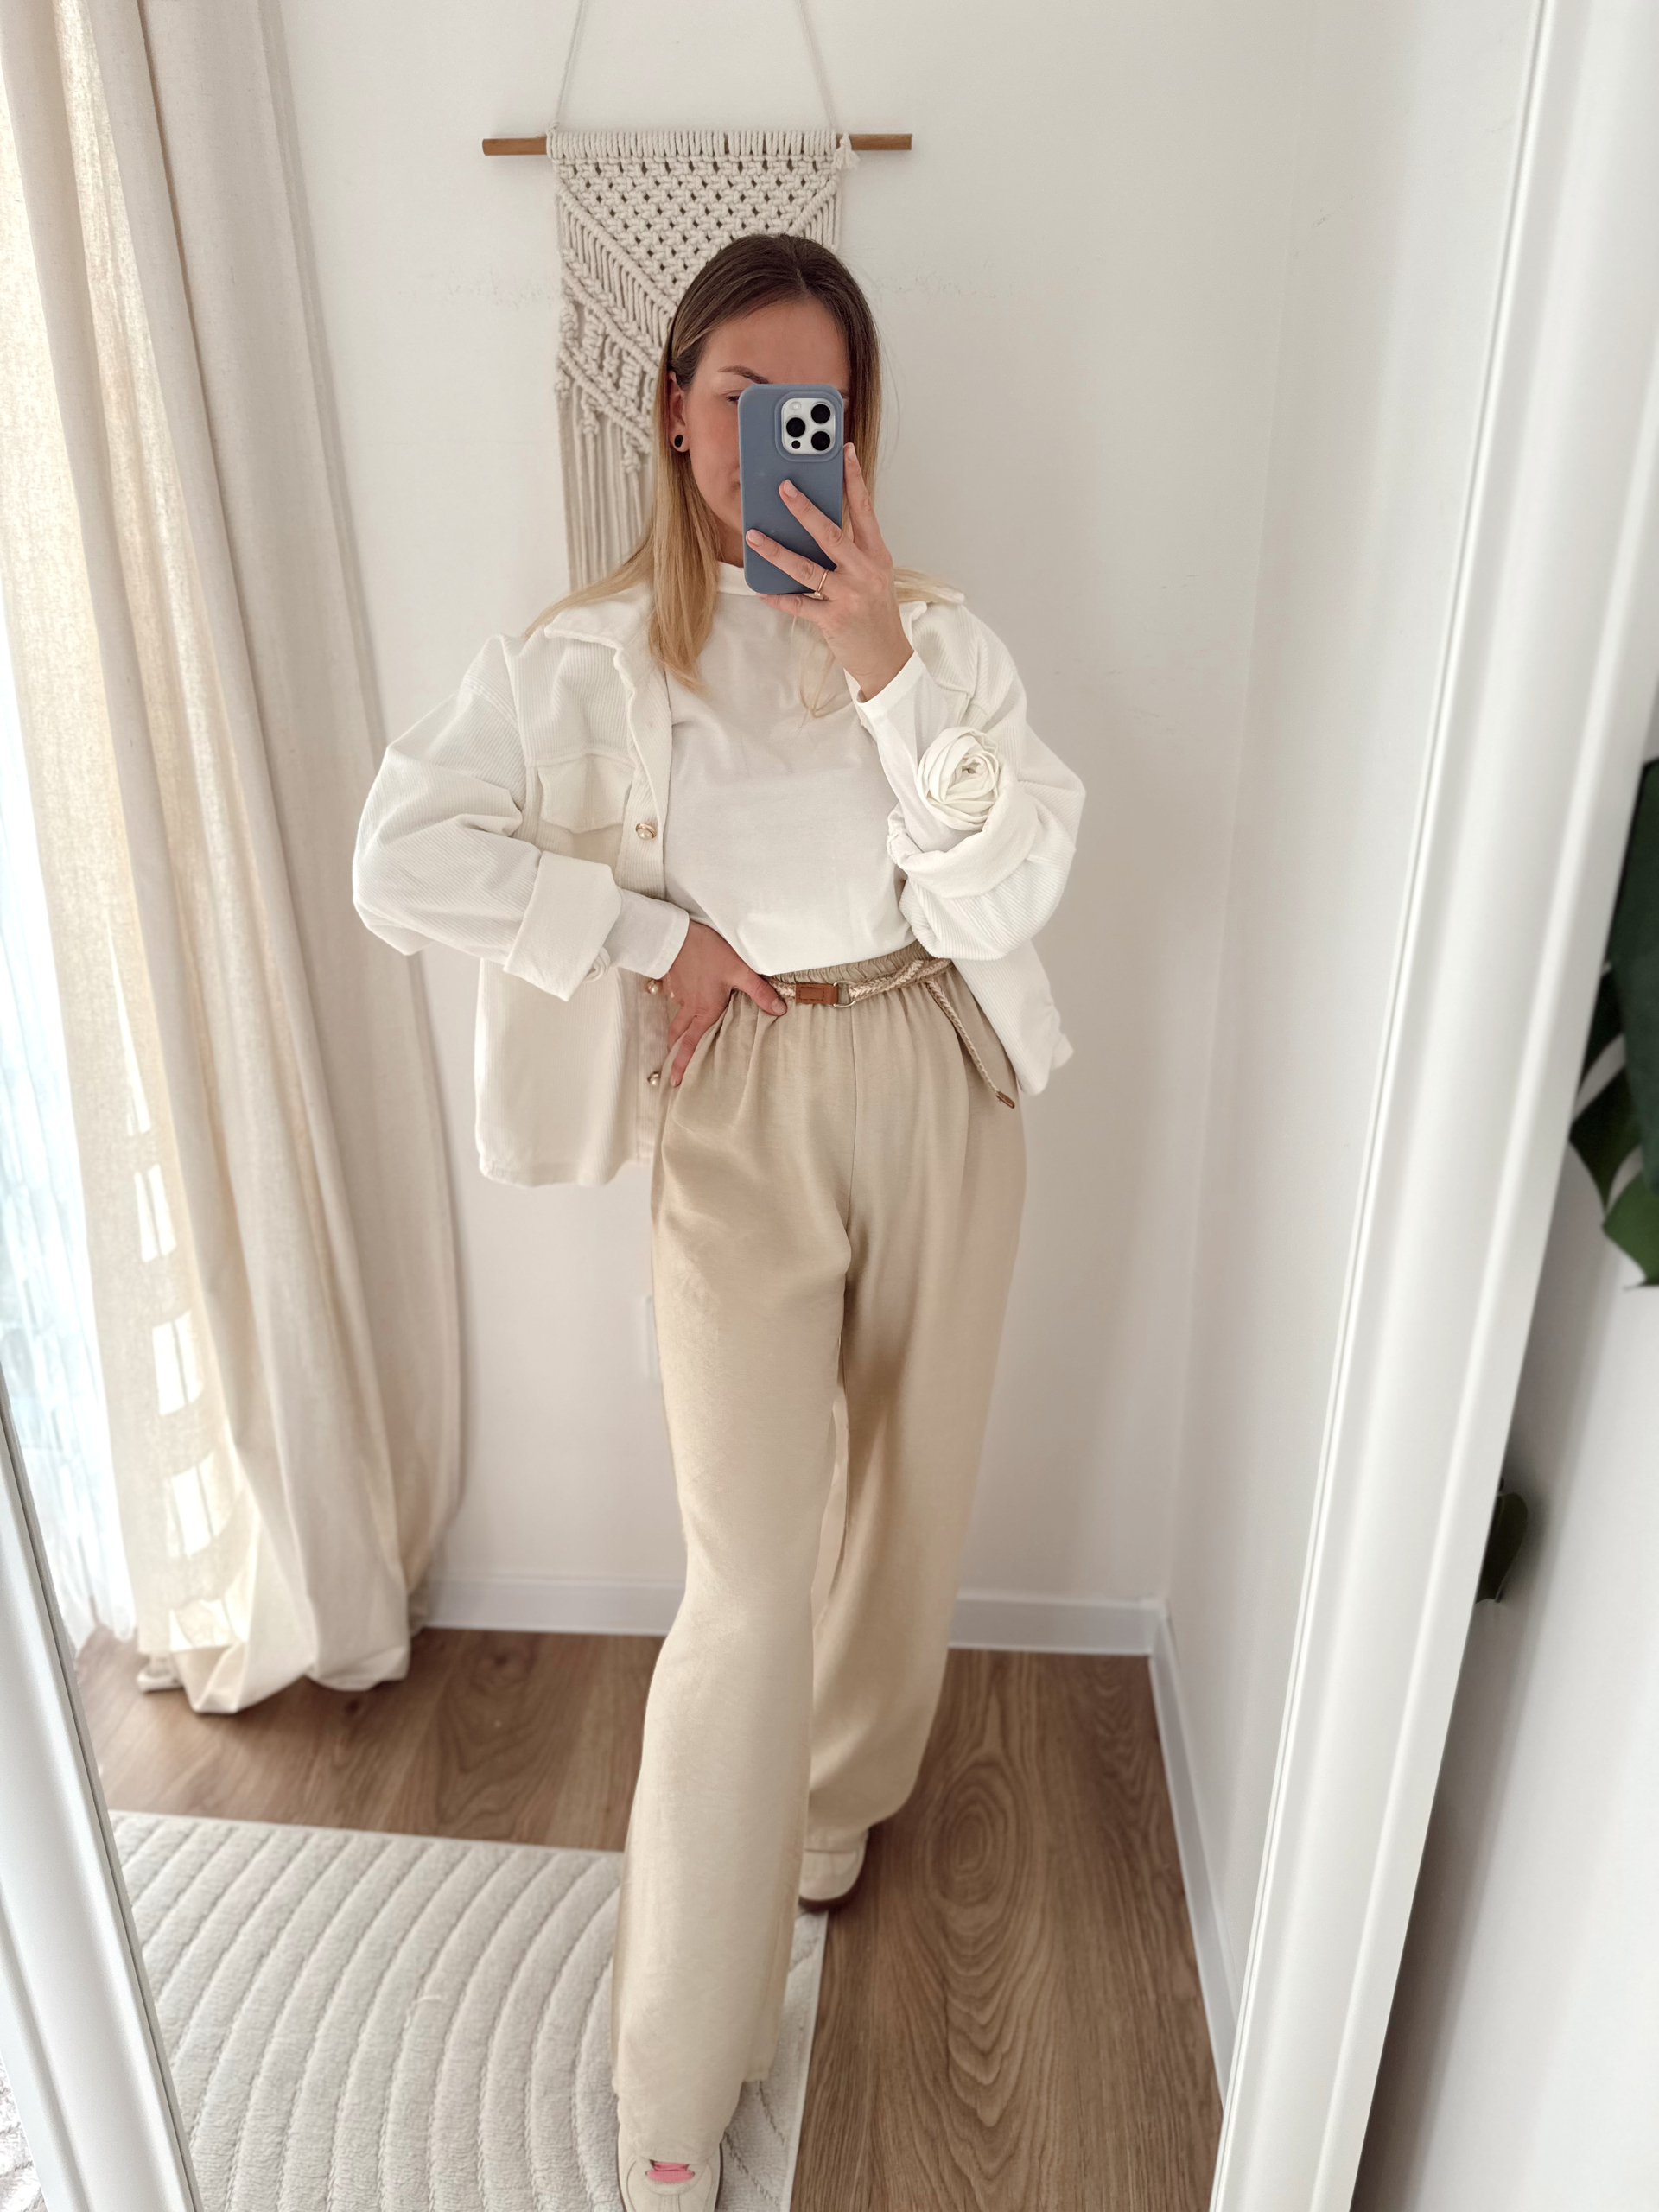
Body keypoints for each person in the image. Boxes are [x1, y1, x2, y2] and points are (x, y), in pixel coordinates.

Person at [353, 231, 1084, 2210]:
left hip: (936, 1066)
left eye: (813, 404)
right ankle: (676, 2067)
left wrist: (883, 664)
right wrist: (637, 935)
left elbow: (1010, 889)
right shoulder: (581, 657)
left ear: (856, 428)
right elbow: (397, 856)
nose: (776, 432)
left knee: (907, 1511)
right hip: (741, 1097)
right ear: (677, 412)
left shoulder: (938, 638)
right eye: (744, 395)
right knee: (746, 1575)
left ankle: (836, 1810)